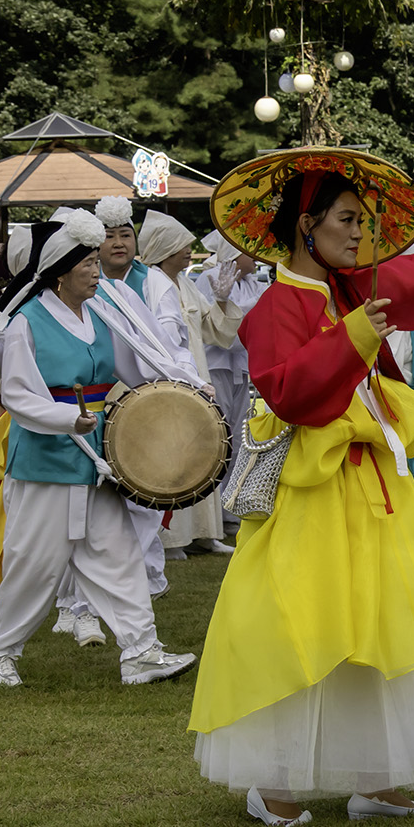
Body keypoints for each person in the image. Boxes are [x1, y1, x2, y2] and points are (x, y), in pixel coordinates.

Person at [187, 166, 414, 827]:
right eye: (346, 219)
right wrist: (357, 335)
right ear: (306, 225)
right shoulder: (276, 307)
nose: (359, 233)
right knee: (301, 625)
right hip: (315, 495)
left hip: (375, 487)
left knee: (387, 622)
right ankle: (272, 784)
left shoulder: (345, 291)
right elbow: (290, 393)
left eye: (363, 222)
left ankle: (379, 779)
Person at [0, 211, 201, 689]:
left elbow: (136, 368)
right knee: (34, 565)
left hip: (98, 456)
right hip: (44, 460)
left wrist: (183, 390)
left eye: (97, 262)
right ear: (61, 271)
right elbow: (17, 394)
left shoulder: (100, 314)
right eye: (88, 264)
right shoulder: (25, 323)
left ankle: (141, 652)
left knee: (118, 556)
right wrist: (64, 419)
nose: (97, 272)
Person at [94, 194, 190, 596]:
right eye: (110, 236)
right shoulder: (83, 280)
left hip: (148, 397)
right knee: (98, 497)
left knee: (144, 491)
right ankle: (103, 583)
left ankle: (147, 576)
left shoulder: (152, 281)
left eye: (125, 235)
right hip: (96, 399)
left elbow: (169, 340)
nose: (119, 243)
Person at [139, 212, 234, 556]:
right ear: (165, 250)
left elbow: (212, 329)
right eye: (182, 246)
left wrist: (221, 299)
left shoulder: (185, 283)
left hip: (198, 377)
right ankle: (172, 538)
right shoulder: (152, 284)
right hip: (172, 381)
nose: (188, 251)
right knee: (174, 456)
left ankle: (205, 533)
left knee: (201, 453)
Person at [196, 231, 266, 536]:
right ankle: (210, 513)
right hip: (216, 366)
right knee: (217, 437)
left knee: (238, 440)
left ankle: (228, 508)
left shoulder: (252, 283)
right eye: (249, 250)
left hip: (240, 367)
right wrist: (255, 306)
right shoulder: (210, 277)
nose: (256, 256)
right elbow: (220, 330)